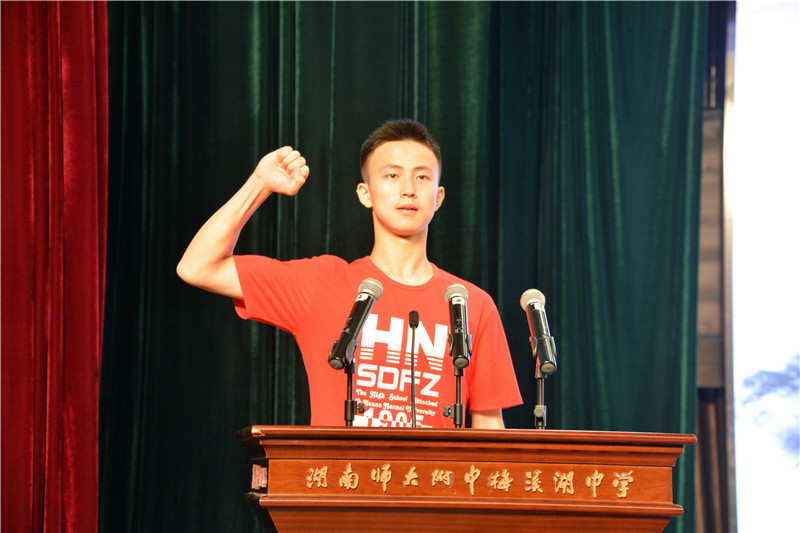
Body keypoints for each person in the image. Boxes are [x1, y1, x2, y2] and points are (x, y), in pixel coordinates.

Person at [177, 119, 522, 428]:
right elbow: (197, 267)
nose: (408, 189)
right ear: (365, 193)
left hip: (435, 482)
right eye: (392, 175)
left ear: (439, 196)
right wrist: (260, 184)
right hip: (341, 480)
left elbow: (489, 428)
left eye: (422, 176)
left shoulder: (470, 304)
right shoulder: (321, 283)